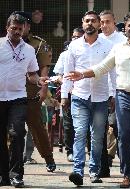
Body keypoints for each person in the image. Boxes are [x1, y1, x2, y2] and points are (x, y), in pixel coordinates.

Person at [65, 11, 130, 188]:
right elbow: (102, 67)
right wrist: (82, 74)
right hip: (124, 97)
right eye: (129, 25)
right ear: (125, 28)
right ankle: (128, 175)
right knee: (124, 136)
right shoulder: (118, 48)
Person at [61, 10, 115, 186]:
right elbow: (68, 73)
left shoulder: (107, 45)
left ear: (99, 24)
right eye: (87, 21)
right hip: (79, 96)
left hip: (101, 97)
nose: (90, 24)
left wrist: (113, 95)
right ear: (83, 24)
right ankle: (77, 171)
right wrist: (64, 95)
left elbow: (112, 72)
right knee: (79, 133)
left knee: (98, 136)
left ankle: (94, 171)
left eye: (93, 21)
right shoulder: (74, 46)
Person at [0, 13, 48, 187]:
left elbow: (32, 74)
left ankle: (16, 175)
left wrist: (39, 81)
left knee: (17, 133)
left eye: (20, 29)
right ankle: (3, 175)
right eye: (14, 28)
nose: (17, 31)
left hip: (18, 98)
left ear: (24, 29)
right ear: (7, 28)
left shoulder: (28, 50)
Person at [13, 11, 56, 172]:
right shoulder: (5, 45)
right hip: (10, 93)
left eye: (22, 25)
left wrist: (44, 89)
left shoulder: (37, 44)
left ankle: (48, 158)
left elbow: (44, 68)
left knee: (37, 127)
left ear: (28, 26)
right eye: (15, 25)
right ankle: (11, 162)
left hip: (31, 93)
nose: (19, 29)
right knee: (11, 129)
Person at [98, 10, 127, 177]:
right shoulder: (97, 40)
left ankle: (124, 165)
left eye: (107, 22)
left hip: (118, 91)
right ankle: (103, 168)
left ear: (114, 22)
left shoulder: (122, 40)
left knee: (119, 128)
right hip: (100, 92)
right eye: (101, 22)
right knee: (100, 130)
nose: (104, 25)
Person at [54, 27, 84, 162]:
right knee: (68, 124)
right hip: (69, 94)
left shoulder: (87, 52)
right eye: (73, 37)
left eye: (78, 37)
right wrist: (68, 85)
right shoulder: (65, 54)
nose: (74, 39)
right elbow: (59, 75)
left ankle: (86, 150)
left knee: (85, 124)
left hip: (85, 93)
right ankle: (69, 151)